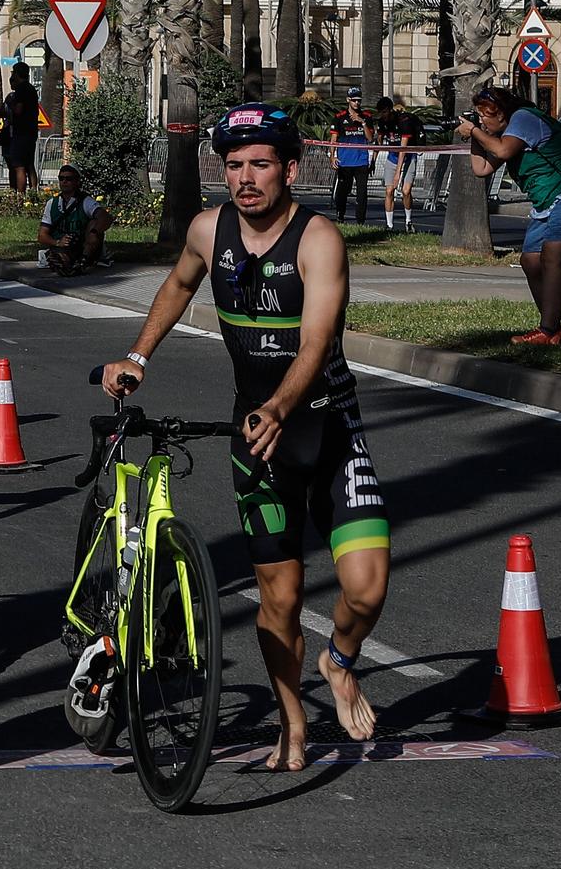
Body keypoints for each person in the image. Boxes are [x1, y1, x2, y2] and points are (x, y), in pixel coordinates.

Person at [102, 102, 391, 771]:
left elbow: (317, 341)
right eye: (234, 165)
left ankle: (340, 660)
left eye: (260, 163)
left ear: (289, 168)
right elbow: (178, 284)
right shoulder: (210, 231)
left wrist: (282, 405)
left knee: (367, 587)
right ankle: (292, 720)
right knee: (280, 598)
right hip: (255, 436)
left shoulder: (318, 240)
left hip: (327, 423)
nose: (245, 177)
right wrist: (138, 357)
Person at [456, 86, 561, 345]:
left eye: (486, 115)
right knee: (530, 261)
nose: (483, 121)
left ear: (502, 112)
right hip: (546, 204)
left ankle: (547, 329)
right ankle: (553, 328)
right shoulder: (506, 134)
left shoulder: (524, 119)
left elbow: (503, 152)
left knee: (552, 257)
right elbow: (482, 167)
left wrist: (474, 130)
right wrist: (475, 135)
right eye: (479, 116)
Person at [36, 164, 112, 274]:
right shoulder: (52, 204)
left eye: (69, 179)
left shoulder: (86, 201)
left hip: (83, 246)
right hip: (62, 246)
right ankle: (63, 261)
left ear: (77, 181)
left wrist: (94, 233)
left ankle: (84, 261)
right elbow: (42, 235)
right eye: (61, 178)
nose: (64, 182)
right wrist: (58, 242)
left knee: (94, 223)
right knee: (60, 259)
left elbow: (105, 217)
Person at [375, 96, 425, 231]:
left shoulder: (404, 122)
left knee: (406, 191)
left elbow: (403, 149)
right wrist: (373, 160)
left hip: (408, 156)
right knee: (389, 190)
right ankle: (389, 225)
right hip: (392, 157)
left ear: (390, 110)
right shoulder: (382, 123)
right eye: (380, 112)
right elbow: (378, 142)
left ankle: (408, 221)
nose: (383, 115)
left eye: (385, 112)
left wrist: (398, 173)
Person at [329, 92, 374, 224]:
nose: (356, 103)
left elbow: (370, 138)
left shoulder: (367, 116)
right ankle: (340, 216)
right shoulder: (339, 117)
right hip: (345, 162)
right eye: (354, 100)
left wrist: (363, 123)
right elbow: (333, 139)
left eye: (359, 100)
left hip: (361, 161)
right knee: (342, 191)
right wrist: (332, 157)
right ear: (348, 100)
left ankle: (360, 221)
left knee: (362, 193)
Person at [0, 61, 41, 197]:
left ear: (17, 74)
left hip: (21, 132)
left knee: (19, 166)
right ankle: (34, 191)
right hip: (31, 131)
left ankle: (20, 196)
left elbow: (18, 110)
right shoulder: (31, 89)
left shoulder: (21, 90)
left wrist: (10, 103)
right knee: (29, 164)